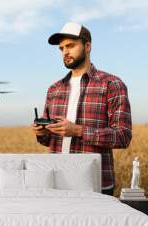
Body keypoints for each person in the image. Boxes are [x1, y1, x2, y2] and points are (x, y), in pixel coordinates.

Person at [32, 22, 132, 196]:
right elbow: (48, 140)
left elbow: (123, 136)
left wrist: (78, 131)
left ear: (87, 46)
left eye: (70, 46)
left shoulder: (111, 84)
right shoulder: (54, 89)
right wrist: (41, 133)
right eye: (62, 48)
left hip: (94, 184)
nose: (65, 52)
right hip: (56, 181)